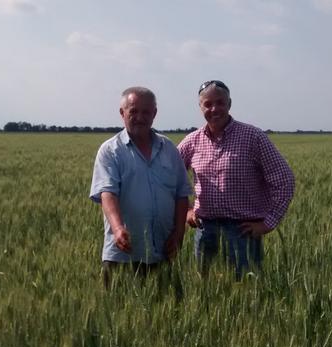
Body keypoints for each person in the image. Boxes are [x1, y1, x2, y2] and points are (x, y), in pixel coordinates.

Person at [178, 80, 295, 280]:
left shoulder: (253, 137)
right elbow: (169, 177)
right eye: (208, 104)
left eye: (220, 102)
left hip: (242, 233)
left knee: (247, 293)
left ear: (229, 104)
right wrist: (187, 210)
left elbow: (285, 180)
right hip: (205, 230)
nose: (214, 109)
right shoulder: (192, 141)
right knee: (205, 292)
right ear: (200, 107)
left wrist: (268, 223)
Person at [90, 86, 191, 289]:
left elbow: (181, 194)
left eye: (146, 112)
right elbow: (107, 193)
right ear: (122, 113)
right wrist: (118, 228)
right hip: (124, 253)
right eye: (133, 111)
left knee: (166, 315)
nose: (140, 117)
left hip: (164, 251)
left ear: (154, 114)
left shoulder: (169, 149)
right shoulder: (110, 151)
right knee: (117, 314)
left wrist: (179, 233)